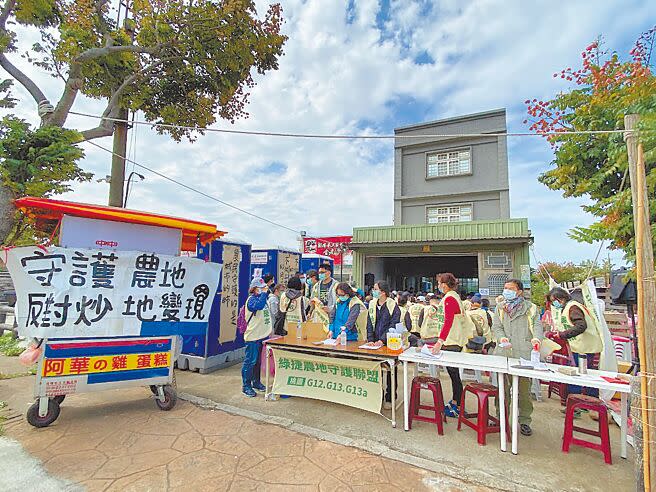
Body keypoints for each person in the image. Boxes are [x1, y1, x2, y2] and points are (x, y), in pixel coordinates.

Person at [492, 279, 543, 436]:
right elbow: (497, 327)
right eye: (505, 288)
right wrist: (501, 338)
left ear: (519, 291)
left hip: (524, 353)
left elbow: (537, 326)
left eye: (511, 288)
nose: (507, 291)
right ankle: (501, 418)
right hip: (504, 353)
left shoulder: (531, 308)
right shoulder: (500, 308)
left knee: (523, 390)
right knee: (502, 389)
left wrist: (537, 339)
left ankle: (524, 420)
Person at [425, 273, 472, 417]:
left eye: (439, 283)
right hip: (453, 339)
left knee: (454, 374)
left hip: (451, 341)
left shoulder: (450, 299)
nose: (438, 286)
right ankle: (456, 401)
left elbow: (448, 321)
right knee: (454, 374)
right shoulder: (452, 296)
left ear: (444, 284)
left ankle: (457, 404)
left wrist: (440, 342)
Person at [548, 286, 603, 406]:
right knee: (579, 375)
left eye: (554, 301)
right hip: (579, 347)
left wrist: (563, 334)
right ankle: (579, 404)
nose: (554, 304)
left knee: (585, 376)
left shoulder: (573, 308)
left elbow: (581, 326)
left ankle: (586, 404)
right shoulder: (567, 307)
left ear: (561, 298)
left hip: (586, 347)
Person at [366, 281, 401, 407]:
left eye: (375, 289)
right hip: (373, 343)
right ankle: (377, 395)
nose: (373, 291)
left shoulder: (393, 306)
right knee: (376, 370)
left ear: (383, 292)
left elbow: (393, 326)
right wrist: (370, 340)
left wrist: (382, 340)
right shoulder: (372, 304)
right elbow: (369, 324)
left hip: (389, 343)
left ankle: (390, 397)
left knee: (391, 369)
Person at [241, 278, 272, 398]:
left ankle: (256, 382)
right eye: (261, 287)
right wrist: (264, 293)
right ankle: (246, 386)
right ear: (254, 288)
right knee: (250, 361)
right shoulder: (252, 300)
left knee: (258, 361)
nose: (263, 289)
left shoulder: (263, 299)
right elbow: (258, 306)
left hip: (261, 335)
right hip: (253, 336)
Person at [310, 263, 338, 330]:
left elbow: (339, 301)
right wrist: (310, 311)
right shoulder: (316, 286)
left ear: (329, 273)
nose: (320, 274)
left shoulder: (336, 285)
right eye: (319, 272)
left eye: (322, 272)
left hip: (332, 315)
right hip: (320, 315)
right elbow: (312, 299)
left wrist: (330, 309)